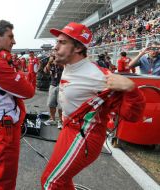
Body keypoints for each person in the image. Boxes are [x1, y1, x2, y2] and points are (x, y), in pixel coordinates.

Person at [41, 22, 145, 190]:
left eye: (62, 42)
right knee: (63, 179)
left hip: (85, 135)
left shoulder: (100, 77)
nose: (55, 46)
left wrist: (132, 89)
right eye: (57, 41)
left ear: (78, 48)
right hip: (69, 129)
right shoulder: (68, 64)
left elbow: (132, 115)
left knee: (51, 182)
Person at [0, 20, 35, 189]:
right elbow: (29, 91)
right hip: (5, 127)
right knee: (5, 178)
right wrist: (13, 68)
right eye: (10, 36)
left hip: (2, 124)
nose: (14, 41)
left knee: (0, 171)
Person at [43, 54, 63, 129]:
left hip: (62, 85)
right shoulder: (51, 63)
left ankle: (61, 121)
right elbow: (45, 71)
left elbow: (65, 68)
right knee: (51, 103)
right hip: (53, 84)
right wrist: (49, 62)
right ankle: (52, 119)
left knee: (61, 105)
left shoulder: (63, 60)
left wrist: (57, 62)